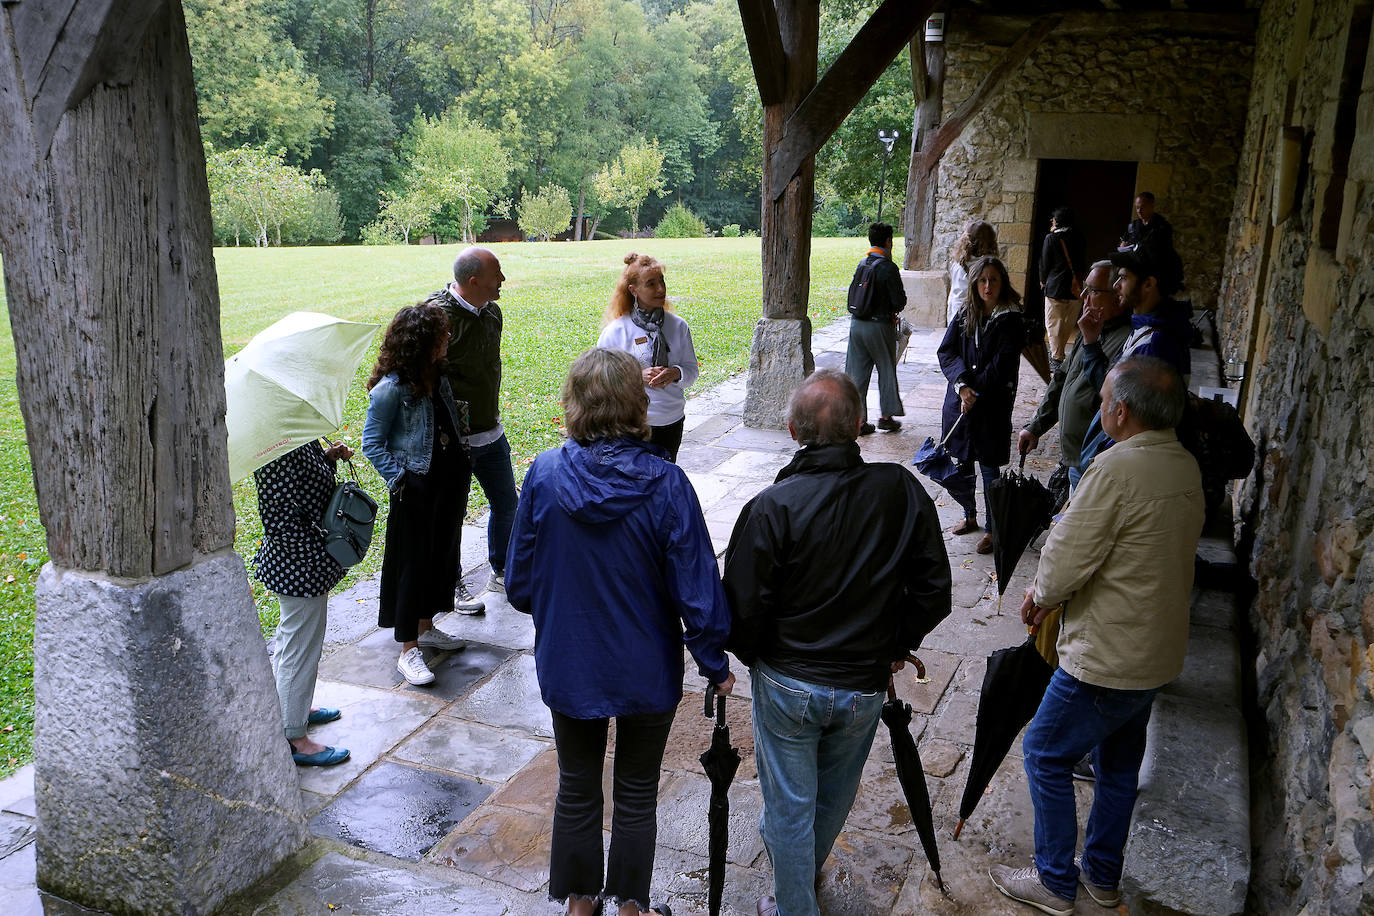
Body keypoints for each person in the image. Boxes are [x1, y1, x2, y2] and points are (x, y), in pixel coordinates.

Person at [506, 348, 733, 916]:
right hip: (645, 664)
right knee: (636, 790)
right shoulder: (666, 484)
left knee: (577, 783)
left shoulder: (544, 475)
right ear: (638, 405)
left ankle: (580, 903)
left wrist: (563, 608)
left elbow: (520, 583)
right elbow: (697, 587)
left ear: (575, 405)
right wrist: (714, 662)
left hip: (570, 658)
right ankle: (630, 905)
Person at [722, 369, 951, 916]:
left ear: (793, 431)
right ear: (857, 424)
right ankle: (796, 883)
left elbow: (740, 611)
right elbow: (933, 590)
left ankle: (792, 904)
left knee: (790, 806)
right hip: (862, 686)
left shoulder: (773, 506)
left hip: (790, 683)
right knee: (827, 799)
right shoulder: (899, 489)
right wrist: (895, 644)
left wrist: (765, 662)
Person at [989, 356, 1204, 916]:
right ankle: (1102, 876)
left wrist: (1039, 596)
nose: (1101, 403)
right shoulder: (1182, 464)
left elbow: (1065, 558)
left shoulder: (1117, 469)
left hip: (1108, 655)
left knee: (1043, 752)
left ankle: (1056, 881)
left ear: (1120, 410)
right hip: (1155, 652)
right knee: (1117, 765)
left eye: (1105, 395)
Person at [361, 303, 470, 687]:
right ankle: (409, 649)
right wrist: (402, 478)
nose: (447, 338)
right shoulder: (391, 389)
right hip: (417, 489)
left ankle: (426, 626)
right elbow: (371, 444)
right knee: (412, 566)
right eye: (441, 334)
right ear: (421, 342)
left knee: (442, 557)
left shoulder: (437, 377)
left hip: (448, 483)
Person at [426, 247, 519, 615]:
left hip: (491, 432)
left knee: (507, 503)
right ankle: (451, 582)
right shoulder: (437, 317)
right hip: (453, 441)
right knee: (451, 514)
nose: (503, 280)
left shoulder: (493, 312)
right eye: (498, 273)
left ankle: (503, 570)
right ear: (473, 280)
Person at [252, 440, 353, 767]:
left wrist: (327, 457)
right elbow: (280, 521)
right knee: (299, 646)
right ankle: (294, 737)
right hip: (298, 566)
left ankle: (291, 708)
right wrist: (316, 557)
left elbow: (303, 487)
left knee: (292, 639)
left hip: (299, 564)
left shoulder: (294, 435)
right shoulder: (276, 447)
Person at [1074, 246, 1192, 485]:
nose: (1117, 285)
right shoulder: (1144, 329)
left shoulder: (1157, 344)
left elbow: (1133, 424)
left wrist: (1097, 464)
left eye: (1124, 277)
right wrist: (1091, 343)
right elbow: (1113, 389)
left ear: (1148, 284)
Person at [937, 255, 1027, 554]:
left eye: (994, 280)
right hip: (961, 402)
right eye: (982, 280)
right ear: (974, 283)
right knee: (962, 466)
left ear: (1003, 283)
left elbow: (1002, 363)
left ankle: (992, 528)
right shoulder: (965, 313)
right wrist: (962, 386)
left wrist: (975, 392)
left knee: (989, 470)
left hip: (991, 406)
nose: (987, 286)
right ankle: (969, 515)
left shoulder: (1011, 319)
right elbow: (947, 351)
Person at [1018, 260, 1131, 476]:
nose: (1084, 297)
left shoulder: (1127, 341)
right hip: (1074, 458)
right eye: (1085, 288)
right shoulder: (1092, 327)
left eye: (1094, 291)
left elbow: (1110, 394)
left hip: (1094, 462)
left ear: (1118, 295)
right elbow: (1061, 378)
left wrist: (1091, 343)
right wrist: (1035, 427)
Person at [596, 252, 700, 461]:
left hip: (672, 421)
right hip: (631, 425)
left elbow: (692, 372)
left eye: (662, 281)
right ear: (633, 290)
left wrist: (675, 373)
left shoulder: (678, 326)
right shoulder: (616, 332)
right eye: (651, 284)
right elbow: (599, 381)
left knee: (665, 481)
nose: (661, 289)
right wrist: (636, 376)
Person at [844, 222, 907, 435]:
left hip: (857, 326)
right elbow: (899, 301)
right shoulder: (888, 268)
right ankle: (886, 417)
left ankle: (858, 422)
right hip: (880, 327)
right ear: (889, 242)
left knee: (856, 375)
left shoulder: (862, 264)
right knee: (886, 370)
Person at [1038, 207, 1086, 369]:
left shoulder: (1051, 238)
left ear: (1057, 221)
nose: (1052, 221)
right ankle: (1059, 354)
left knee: (1053, 324)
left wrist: (1043, 280)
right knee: (1067, 323)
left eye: (1053, 219)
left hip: (1055, 287)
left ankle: (1056, 357)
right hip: (1075, 288)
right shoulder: (1079, 237)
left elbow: (1045, 263)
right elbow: (1081, 263)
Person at [947, 219, 999, 324]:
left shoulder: (960, 264)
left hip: (964, 315)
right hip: (967, 317)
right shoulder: (962, 266)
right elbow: (960, 297)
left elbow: (957, 296)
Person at [1116, 191, 1174, 255]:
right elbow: (1124, 239)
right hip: (1131, 258)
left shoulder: (1162, 227)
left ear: (1152, 206)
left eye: (1143, 207)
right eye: (1137, 207)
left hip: (1151, 262)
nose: (1139, 211)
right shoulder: (1134, 225)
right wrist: (1122, 244)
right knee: (1104, 263)